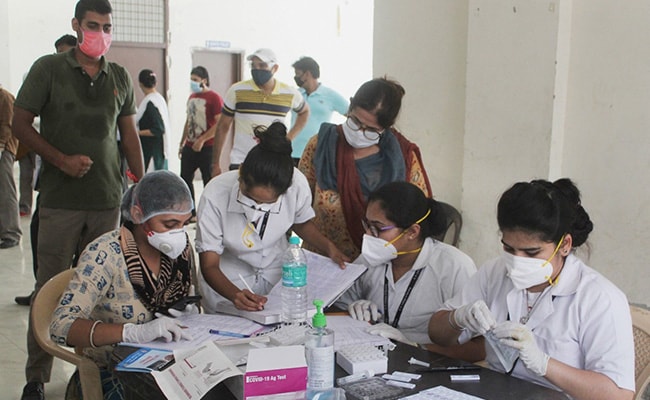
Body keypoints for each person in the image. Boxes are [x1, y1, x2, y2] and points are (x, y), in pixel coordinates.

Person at [12, 1, 145, 398]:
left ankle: (89, 371)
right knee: (49, 288)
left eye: (107, 27)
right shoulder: (48, 69)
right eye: (92, 25)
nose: (100, 34)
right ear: (76, 25)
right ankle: (36, 377)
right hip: (60, 201)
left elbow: (129, 135)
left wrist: (142, 185)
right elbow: (19, 124)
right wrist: (60, 160)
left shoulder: (118, 76)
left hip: (107, 199)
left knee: (101, 291)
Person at [428, 179, 635, 400]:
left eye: (532, 252)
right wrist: (457, 318)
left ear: (564, 245)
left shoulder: (600, 298)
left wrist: (544, 364)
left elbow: (619, 395)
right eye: (509, 248)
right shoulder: (495, 272)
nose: (517, 261)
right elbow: (437, 333)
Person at [50, 170, 195, 399]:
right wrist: (131, 333)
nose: (178, 233)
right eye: (169, 224)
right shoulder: (106, 255)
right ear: (138, 215)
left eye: (185, 223)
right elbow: (61, 327)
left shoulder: (181, 253)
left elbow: (189, 296)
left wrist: (189, 314)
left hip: (171, 361)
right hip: (113, 369)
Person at [196, 121, 348, 313]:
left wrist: (329, 248)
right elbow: (209, 264)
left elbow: (300, 222)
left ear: (285, 191)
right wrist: (235, 295)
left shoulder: (296, 184)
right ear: (241, 172)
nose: (257, 207)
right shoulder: (215, 194)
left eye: (267, 203)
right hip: (228, 280)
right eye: (250, 198)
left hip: (274, 274)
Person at [335, 181, 481, 361]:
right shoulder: (370, 259)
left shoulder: (453, 266)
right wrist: (353, 310)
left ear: (412, 231)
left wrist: (415, 348)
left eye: (378, 228)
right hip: (372, 356)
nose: (368, 235)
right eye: (367, 225)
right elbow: (338, 308)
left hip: (429, 363)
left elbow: (479, 348)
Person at [298, 77, 432, 260]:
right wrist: (329, 248)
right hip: (323, 260)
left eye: (371, 130)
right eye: (355, 121)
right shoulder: (321, 146)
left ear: (386, 128)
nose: (359, 132)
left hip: (381, 266)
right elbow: (296, 210)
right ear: (350, 106)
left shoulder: (403, 159)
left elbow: (417, 221)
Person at [14, 33, 78, 306]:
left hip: (89, 187)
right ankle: (42, 292)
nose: (60, 59)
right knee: (41, 234)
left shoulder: (92, 89)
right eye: (58, 53)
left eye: (66, 53)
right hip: (53, 181)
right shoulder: (48, 80)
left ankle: (70, 299)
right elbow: (23, 122)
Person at [211, 48, 310, 175]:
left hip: (273, 161)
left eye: (262, 65)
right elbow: (223, 126)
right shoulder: (237, 90)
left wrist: (288, 138)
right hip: (241, 160)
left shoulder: (289, 93)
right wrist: (215, 163)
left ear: (275, 68)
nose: (257, 69)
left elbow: (304, 112)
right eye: (253, 65)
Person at [179, 66, 223, 220]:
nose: (193, 82)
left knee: (208, 181)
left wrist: (202, 139)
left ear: (204, 80)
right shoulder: (192, 97)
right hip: (190, 146)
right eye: (191, 79)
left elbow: (219, 124)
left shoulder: (214, 98)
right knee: (185, 179)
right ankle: (189, 212)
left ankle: (208, 214)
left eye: (195, 80)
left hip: (207, 147)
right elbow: (188, 121)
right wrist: (182, 142)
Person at [290, 56, 348, 164]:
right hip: (292, 152)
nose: (295, 77)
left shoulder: (330, 95)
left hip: (317, 153)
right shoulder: (295, 95)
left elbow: (351, 114)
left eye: (297, 74)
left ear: (307, 74)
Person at [0, 84, 21, 249]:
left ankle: (11, 233)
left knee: (6, 191)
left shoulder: (5, 97)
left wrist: (1, 146)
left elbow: (8, 124)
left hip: (5, 150)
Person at [136, 69, 170, 171]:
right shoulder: (159, 99)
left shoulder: (150, 103)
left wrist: (137, 133)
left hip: (152, 153)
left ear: (140, 84)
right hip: (160, 150)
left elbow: (158, 129)